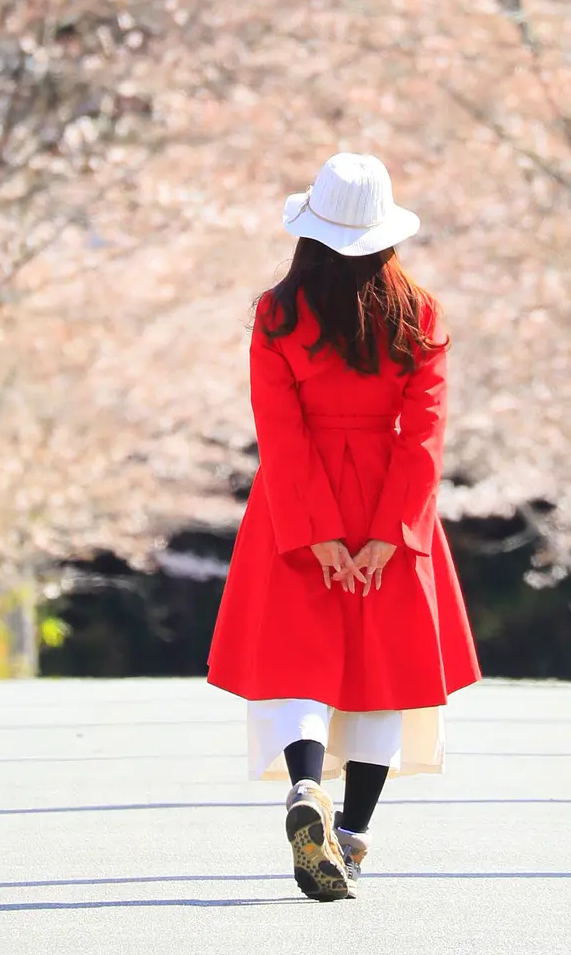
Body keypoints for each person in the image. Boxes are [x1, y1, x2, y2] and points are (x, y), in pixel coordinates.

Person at [207, 152, 482, 902]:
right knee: (381, 671)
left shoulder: (278, 313)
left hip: (299, 499)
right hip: (390, 501)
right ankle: (353, 835)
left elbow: (280, 428)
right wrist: (390, 532)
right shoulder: (419, 314)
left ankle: (305, 787)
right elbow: (425, 432)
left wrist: (315, 527)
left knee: (297, 657)